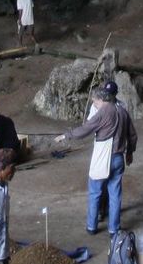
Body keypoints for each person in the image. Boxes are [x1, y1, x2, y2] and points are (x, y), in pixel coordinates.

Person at [55, 88, 137, 235]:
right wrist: (130, 152)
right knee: (115, 194)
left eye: (94, 101)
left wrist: (66, 135)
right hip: (118, 158)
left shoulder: (103, 112)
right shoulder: (123, 112)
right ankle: (114, 228)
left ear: (101, 100)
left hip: (103, 158)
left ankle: (92, 227)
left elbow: (85, 129)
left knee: (95, 192)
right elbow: (132, 135)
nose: (94, 104)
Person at [86, 80, 126, 222]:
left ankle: (97, 218)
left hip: (107, 152)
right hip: (109, 152)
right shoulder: (100, 106)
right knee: (111, 189)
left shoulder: (119, 106)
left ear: (115, 94)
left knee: (98, 188)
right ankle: (109, 221)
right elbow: (90, 123)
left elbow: (88, 127)